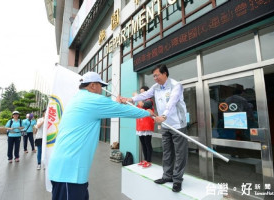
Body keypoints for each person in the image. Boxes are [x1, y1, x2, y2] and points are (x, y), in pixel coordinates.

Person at [48, 71, 154, 200]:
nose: (102, 90)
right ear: (93, 85)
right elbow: (125, 110)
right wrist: (148, 113)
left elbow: (112, 108)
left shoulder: (79, 98)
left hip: (68, 170)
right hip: (69, 173)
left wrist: (115, 105)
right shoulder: (92, 99)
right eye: (100, 86)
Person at [120, 64, 188, 193]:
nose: (155, 78)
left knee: (180, 152)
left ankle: (177, 179)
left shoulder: (176, 85)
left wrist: (164, 115)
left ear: (165, 74)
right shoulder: (156, 87)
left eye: (157, 75)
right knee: (167, 151)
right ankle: (167, 176)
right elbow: (144, 95)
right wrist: (130, 99)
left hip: (178, 124)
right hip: (165, 124)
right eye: (154, 76)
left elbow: (172, 102)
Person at [135, 86, 154, 168]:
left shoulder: (149, 101)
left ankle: (149, 160)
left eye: (143, 92)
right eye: (140, 92)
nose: (141, 94)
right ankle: (145, 160)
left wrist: (136, 96)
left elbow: (142, 105)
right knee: (143, 144)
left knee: (147, 144)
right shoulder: (140, 102)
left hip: (147, 125)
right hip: (140, 126)